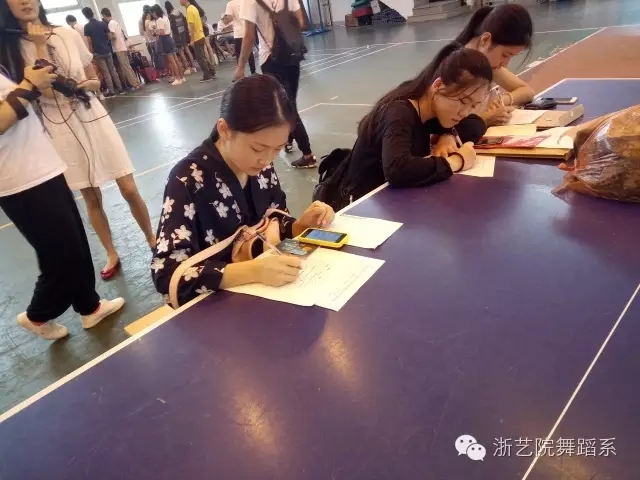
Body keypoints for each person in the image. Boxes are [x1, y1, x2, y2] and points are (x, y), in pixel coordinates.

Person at [1, 2, 156, 280]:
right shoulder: (13, 49)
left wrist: (90, 85)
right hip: (59, 125)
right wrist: (39, 46)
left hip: (91, 112)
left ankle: (152, 240)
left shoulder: (67, 33)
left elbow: (93, 77)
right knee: (91, 196)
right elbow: (44, 90)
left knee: (129, 188)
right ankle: (111, 252)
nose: (25, 2)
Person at [151, 75, 334, 307]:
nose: (266, 160)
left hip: (266, 297)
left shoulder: (260, 166)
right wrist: (253, 271)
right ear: (224, 129)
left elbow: (270, 227)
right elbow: (166, 274)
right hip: (217, 308)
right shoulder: (188, 178)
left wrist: (299, 227)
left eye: (277, 149)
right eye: (257, 148)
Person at [0, 66, 124, 340]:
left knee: (74, 244)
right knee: (61, 255)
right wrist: (29, 84)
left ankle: (89, 307)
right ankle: (37, 314)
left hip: (42, 167)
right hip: (20, 180)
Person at [323, 44, 492, 208]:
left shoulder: (434, 109)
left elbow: (474, 123)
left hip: (394, 201)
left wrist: (447, 136)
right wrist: (457, 161)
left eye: (473, 105)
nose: (464, 112)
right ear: (438, 86)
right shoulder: (399, 111)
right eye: (463, 101)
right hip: (358, 204)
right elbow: (397, 170)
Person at [236, 0, 318, 169]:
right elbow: (300, 21)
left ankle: (308, 155)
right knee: (289, 102)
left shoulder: (249, 2)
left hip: (271, 59)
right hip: (292, 55)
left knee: (288, 108)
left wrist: (240, 67)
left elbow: (249, 36)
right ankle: (288, 139)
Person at [454, 4, 534, 125]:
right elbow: (444, 131)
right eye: (505, 55)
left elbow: (527, 92)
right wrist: (485, 119)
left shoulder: (485, 63)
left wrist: (501, 100)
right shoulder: (453, 70)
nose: (504, 65)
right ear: (485, 40)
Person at [82, 7, 122, 96]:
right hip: (107, 50)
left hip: (97, 52)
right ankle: (120, 88)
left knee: (106, 72)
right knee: (113, 70)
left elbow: (89, 41)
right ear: (93, 13)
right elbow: (109, 36)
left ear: (85, 16)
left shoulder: (87, 27)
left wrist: (91, 51)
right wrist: (105, 42)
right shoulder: (102, 24)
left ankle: (111, 91)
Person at [100, 8, 142, 90]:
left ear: (104, 15)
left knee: (125, 67)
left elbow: (113, 36)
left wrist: (107, 38)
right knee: (128, 66)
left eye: (103, 16)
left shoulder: (110, 24)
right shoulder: (115, 22)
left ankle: (135, 84)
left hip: (118, 48)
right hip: (122, 47)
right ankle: (137, 82)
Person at [180, 0, 216, 82]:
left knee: (200, 58)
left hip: (197, 37)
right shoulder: (193, 8)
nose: (179, 1)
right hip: (200, 35)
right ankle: (212, 71)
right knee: (203, 56)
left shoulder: (189, 10)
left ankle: (207, 75)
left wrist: (192, 39)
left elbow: (192, 26)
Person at [152, 4, 185, 85]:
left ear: (155, 12)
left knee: (172, 61)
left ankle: (177, 78)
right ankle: (182, 77)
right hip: (169, 38)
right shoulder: (165, 17)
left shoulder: (159, 20)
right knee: (176, 59)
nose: (152, 15)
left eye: (152, 13)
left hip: (165, 39)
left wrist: (156, 32)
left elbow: (162, 32)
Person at [223, 0, 256, 74]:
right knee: (249, 53)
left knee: (239, 54)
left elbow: (229, 18)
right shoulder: (244, 1)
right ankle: (253, 72)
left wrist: (225, 19)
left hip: (239, 33)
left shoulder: (230, 4)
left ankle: (240, 73)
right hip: (248, 30)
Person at [165, 1, 197, 75]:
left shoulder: (170, 16)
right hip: (184, 33)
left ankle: (187, 68)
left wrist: (176, 36)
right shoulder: (179, 12)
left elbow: (173, 27)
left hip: (177, 36)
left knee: (181, 52)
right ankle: (193, 67)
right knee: (187, 50)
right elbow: (185, 22)